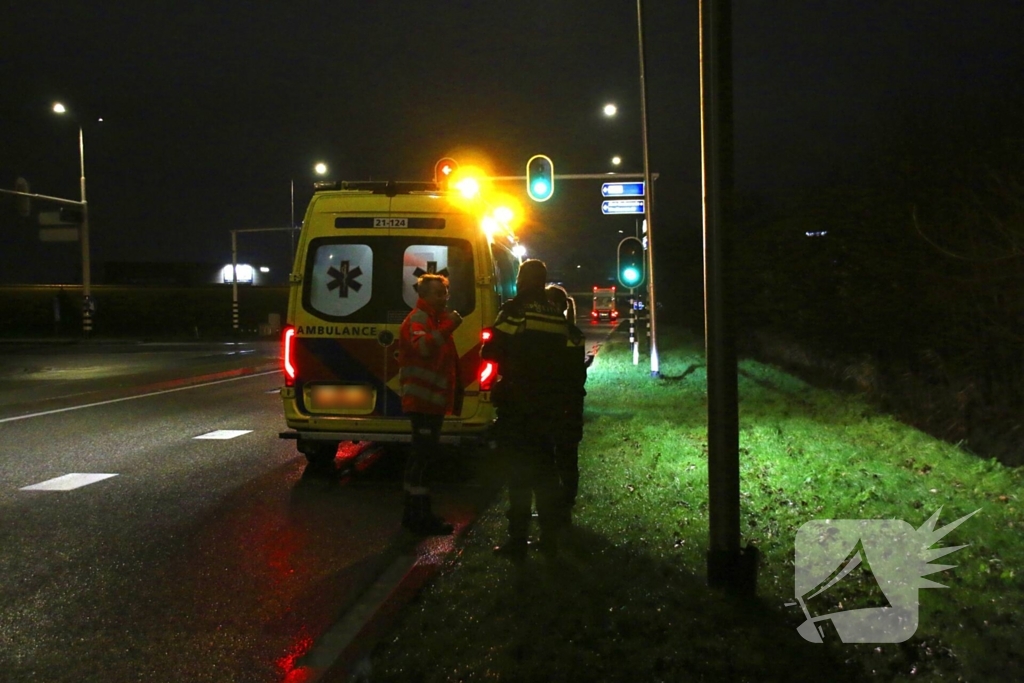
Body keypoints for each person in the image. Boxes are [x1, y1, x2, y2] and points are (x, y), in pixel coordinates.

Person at [481, 259, 572, 559]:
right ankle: (549, 538)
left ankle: (518, 540)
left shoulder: (515, 310)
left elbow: (492, 349)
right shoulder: (555, 314)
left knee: (519, 472)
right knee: (546, 473)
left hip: (518, 404)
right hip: (548, 405)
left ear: (522, 280)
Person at [397, 273, 463, 535]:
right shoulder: (420, 318)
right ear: (423, 295)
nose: (443, 298)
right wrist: (449, 326)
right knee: (422, 462)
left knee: (422, 460)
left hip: (430, 403)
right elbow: (423, 348)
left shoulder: (433, 319)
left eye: (445, 292)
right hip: (422, 403)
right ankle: (419, 518)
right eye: (437, 293)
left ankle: (415, 514)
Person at [545, 284, 589, 512]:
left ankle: (556, 505)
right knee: (568, 457)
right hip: (572, 404)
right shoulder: (575, 333)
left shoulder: (552, 334)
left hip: (556, 403)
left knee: (552, 457)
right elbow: (576, 371)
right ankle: (565, 504)